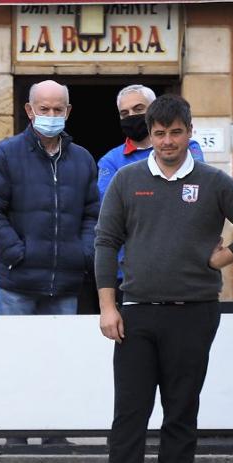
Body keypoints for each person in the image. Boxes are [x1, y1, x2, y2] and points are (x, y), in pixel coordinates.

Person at [84, 95, 233, 463]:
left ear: (189, 131)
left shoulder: (213, 182)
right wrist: (107, 307)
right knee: (130, 410)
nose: (167, 141)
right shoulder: (127, 180)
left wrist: (224, 259)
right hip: (135, 313)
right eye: (160, 133)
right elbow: (105, 243)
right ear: (151, 134)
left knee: (181, 408)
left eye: (176, 132)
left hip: (195, 312)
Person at [0, 80, 99, 317]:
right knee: (15, 352)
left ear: (68, 111)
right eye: (44, 109)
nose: (51, 115)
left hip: (66, 284)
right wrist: (16, 253)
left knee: (60, 353)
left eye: (58, 109)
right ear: (30, 111)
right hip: (17, 284)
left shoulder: (83, 159)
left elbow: (92, 215)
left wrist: (83, 254)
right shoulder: (6, 154)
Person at [89, 84, 205, 312]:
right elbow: (113, 212)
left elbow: (198, 198)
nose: (132, 116)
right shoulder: (110, 162)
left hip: (183, 270)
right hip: (130, 273)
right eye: (125, 113)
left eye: (138, 108)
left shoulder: (189, 148)